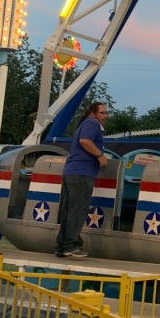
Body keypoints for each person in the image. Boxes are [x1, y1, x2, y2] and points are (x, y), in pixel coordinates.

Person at [55, 102, 108, 258]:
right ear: (93, 113)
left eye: (106, 113)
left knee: (68, 211)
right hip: (82, 173)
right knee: (77, 211)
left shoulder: (84, 123)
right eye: (102, 113)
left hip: (71, 172)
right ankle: (71, 245)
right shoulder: (92, 123)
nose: (105, 116)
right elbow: (85, 141)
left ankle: (62, 246)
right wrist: (99, 155)